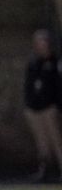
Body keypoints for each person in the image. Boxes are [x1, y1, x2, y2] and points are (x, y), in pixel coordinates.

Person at [23, 29, 62, 181]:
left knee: (56, 140)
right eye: (37, 42)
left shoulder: (55, 62)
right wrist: (28, 104)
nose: (40, 46)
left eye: (42, 42)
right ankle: (44, 170)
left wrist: (57, 105)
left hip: (49, 107)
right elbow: (28, 85)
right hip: (34, 108)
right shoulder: (33, 63)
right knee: (41, 142)